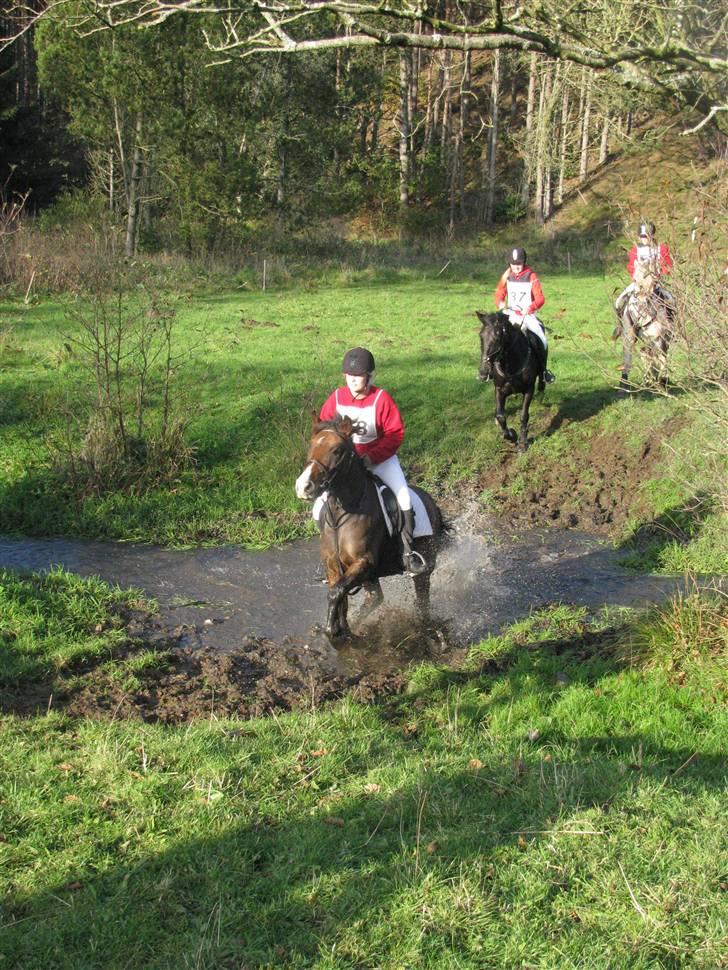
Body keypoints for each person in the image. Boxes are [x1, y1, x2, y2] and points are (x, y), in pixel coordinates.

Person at [318, 347, 427, 576]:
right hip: (346, 467)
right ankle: (330, 558)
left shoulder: (381, 399)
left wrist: (372, 457)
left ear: (369, 377)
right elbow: (324, 433)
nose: (353, 380)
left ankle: (408, 554)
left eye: (358, 376)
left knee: (404, 498)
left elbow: (395, 433)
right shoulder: (336, 399)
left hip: (379, 459)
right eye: (350, 376)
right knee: (320, 505)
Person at [494, 246, 555, 386]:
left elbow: (540, 298)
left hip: (527, 315)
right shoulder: (506, 275)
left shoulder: (531, 275)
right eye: (513, 264)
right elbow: (499, 293)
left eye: (519, 264)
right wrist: (501, 303)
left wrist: (531, 307)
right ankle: (492, 371)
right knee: (495, 336)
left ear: (524, 262)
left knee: (542, 340)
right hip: (509, 314)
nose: (516, 267)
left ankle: (543, 372)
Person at [614, 222, 674, 317]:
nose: (644, 239)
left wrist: (660, 274)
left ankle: (671, 326)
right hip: (638, 283)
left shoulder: (661, 249)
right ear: (639, 237)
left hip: (656, 284)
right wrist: (637, 278)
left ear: (652, 235)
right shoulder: (635, 250)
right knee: (619, 302)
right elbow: (631, 267)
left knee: (672, 301)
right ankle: (622, 326)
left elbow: (668, 266)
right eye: (642, 236)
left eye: (647, 236)